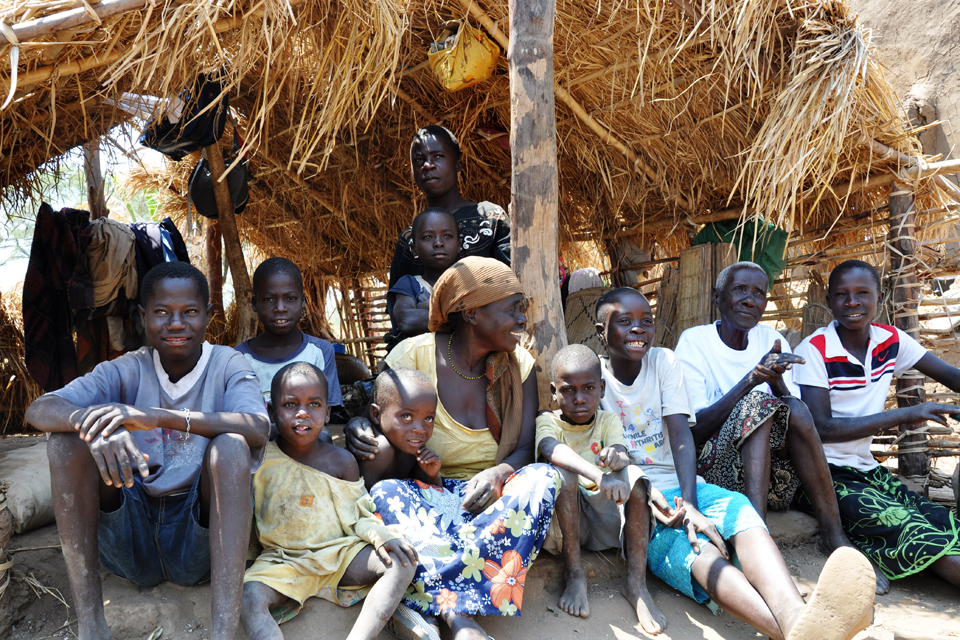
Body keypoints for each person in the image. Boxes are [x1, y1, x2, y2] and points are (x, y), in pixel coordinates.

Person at [594, 287, 876, 640]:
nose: (638, 329)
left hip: (684, 485)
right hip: (638, 505)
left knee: (741, 510)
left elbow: (682, 436)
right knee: (699, 551)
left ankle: (796, 618)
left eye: (646, 322)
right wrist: (658, 500)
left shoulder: (664, 361)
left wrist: (692, 503)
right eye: (624, 322)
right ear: (600, 330)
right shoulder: (592, 378)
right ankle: (802, 631)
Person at [25, 262, 270, 640]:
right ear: (142, 317)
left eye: (189, 312)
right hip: (128, 535)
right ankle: (92, 627)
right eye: (161, 312)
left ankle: (223, 633)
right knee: (65, 441)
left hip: (197, 540)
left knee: (232, 448)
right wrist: (93, 428)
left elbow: (257, 426)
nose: (176, 323)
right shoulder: (128, 368)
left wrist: (158, 416)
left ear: (208, 315)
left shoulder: (226, 363)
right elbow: (39, 409)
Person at [346, 256, 560, 640]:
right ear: (472, 312)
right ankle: (458, 616)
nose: (522, 320)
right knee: (384, 492)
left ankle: (432, 600)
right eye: (512, 309)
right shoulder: (413, 355)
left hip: (489, 504)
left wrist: (499, 473)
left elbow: (526, 449)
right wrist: (357, 425)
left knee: (543, 477)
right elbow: (373, 418)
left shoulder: (520, 365)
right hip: (425, 496)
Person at [794, 260, 960, 594]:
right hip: (820, 474)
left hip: (866, 470)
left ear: (879, 297)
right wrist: (905, 415)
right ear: (828, 301)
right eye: (841, 294)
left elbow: (952, 376)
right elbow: (822, 428)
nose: (852, 302)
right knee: (912, 530)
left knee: (941, 521)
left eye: (862, 293)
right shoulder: (815, 350)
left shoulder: (891, 341)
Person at [673, 261, 853, 554]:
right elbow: (693, 432)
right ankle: (758, 542)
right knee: (757, 403)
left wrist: (777, 382)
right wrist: (752, 380)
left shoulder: (772, 340)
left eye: (758, 293)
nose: (749, 299)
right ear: (717, 297)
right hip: (716, 476)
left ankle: (833, 534)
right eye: (740, 290)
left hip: (776, 483)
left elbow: (797, 417)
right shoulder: (695, 342)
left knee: (792, 407)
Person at [241, 362, 421, 640]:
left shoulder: (341, 461)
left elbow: (358, 514)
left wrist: (382, 538)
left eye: (314, 404)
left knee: (400, 563)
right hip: (282, 560)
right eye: (290, 404)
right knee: (249, 597)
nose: (302, 413)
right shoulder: (260, 460)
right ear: (272, 412)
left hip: (338, 554)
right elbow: (248, 518)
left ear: (327, 413)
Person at [536, 344, 680, 632]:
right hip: (564, 529)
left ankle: (636, 584)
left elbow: (620, 451)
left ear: (601, 389)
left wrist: (617, 457)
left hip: (605, 525)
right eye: (568, 390)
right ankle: (576, 574)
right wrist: (599, 476)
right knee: (565, 473)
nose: (579, 398)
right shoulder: (547, 420)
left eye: (588, 388)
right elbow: (551, 450)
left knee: (634, 475)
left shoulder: (607, 420)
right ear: (554, 391)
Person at [388, 125, 510, 290]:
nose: (427, 165)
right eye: (418, 160)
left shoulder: (490, 217)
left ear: (458, 164)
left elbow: (512, 281)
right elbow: (399, 305)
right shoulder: (409, 239)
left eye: (438, 156)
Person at [235, 257, 344, 431]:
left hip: (308, 445)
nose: (280, 308)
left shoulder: (320, 351)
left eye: (290, 298)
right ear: (254, 304)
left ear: (302, 302)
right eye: (269, 299)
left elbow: (331, 413)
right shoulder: (238, 358)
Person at [386, 207, 460, 350]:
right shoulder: (408, 284)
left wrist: (424, 306)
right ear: (414, 248)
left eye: (447, 236)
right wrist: (456, 316)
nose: (438, 243)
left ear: (458, 245)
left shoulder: (468, 282)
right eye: (427, 237)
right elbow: (407, 321)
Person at [358, 368, 442, 490]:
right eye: (406, 416)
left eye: (428, 419)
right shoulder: (379, 449)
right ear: (376, 414)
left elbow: (433, 497)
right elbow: (363, 502)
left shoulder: (414, 450)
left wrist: (433, 476)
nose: (420, 429)